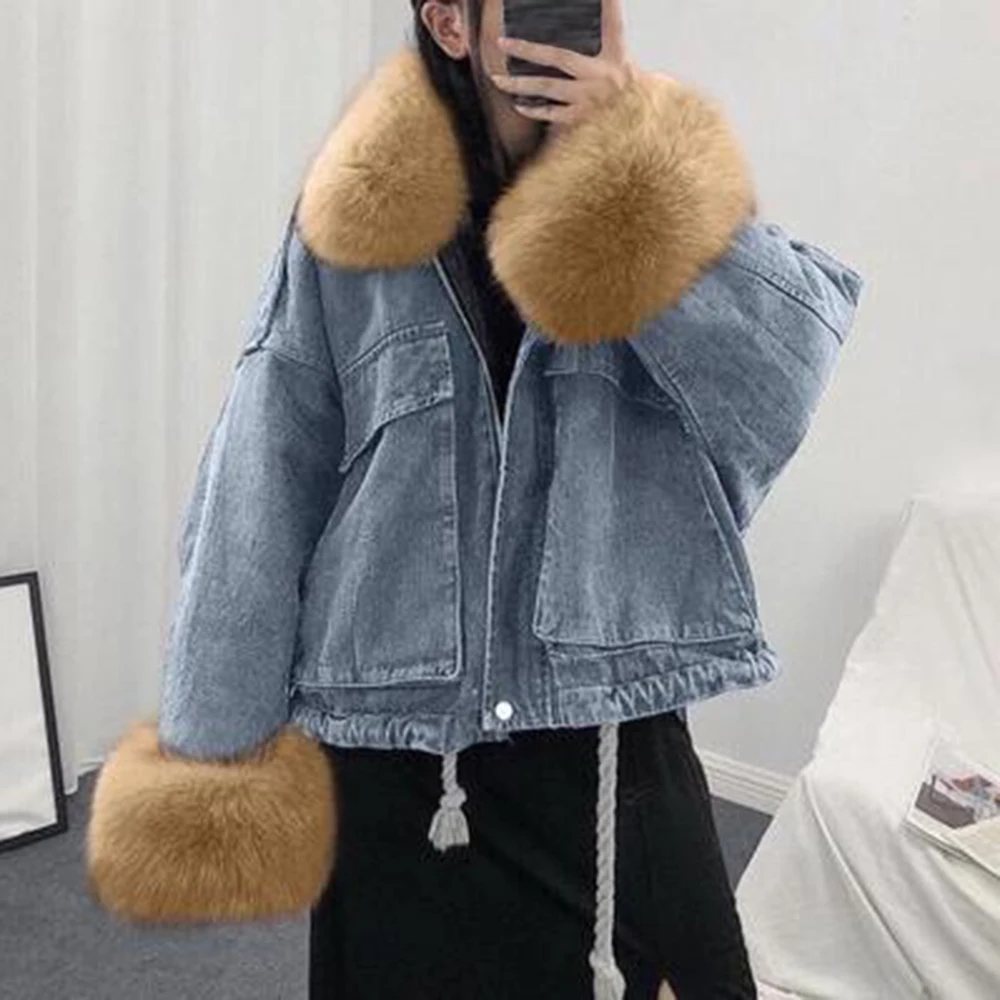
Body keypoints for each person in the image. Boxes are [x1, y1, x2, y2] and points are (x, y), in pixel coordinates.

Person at [85, 1, 864, 999]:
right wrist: (214, 753)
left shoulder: (664, 176)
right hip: (401, 757)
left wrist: (630, 169)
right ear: (451, 23)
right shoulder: (350, 226)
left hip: (606, 733)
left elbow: (781, 388)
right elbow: (263, 474)